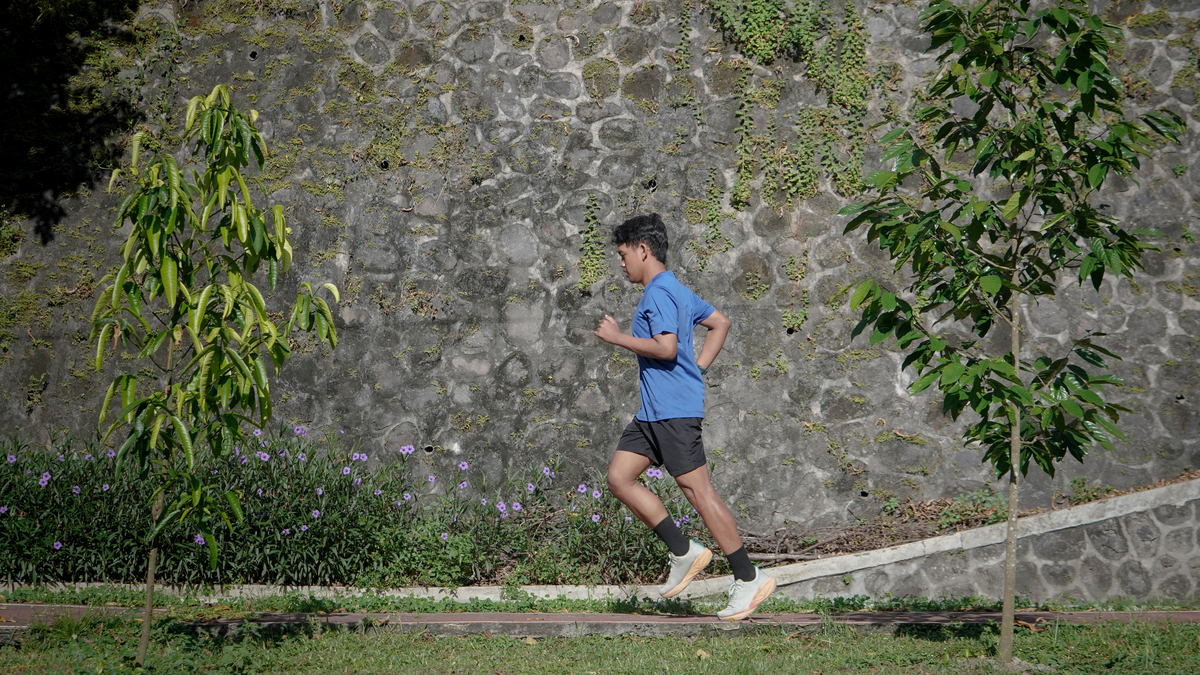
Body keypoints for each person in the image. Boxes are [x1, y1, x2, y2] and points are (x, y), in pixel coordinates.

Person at [593, 213, 776, 621]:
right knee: (620, 478)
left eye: (624, 255)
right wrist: (701, 368)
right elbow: (720, 323)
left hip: (673, 412)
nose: (621, 264)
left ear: (643, 249)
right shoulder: (676, 289)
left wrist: (617, 337)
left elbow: (667, 348)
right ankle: (684, 550)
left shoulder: (657, 294)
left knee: (699, 493)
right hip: (653, 412)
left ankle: (748, 578)